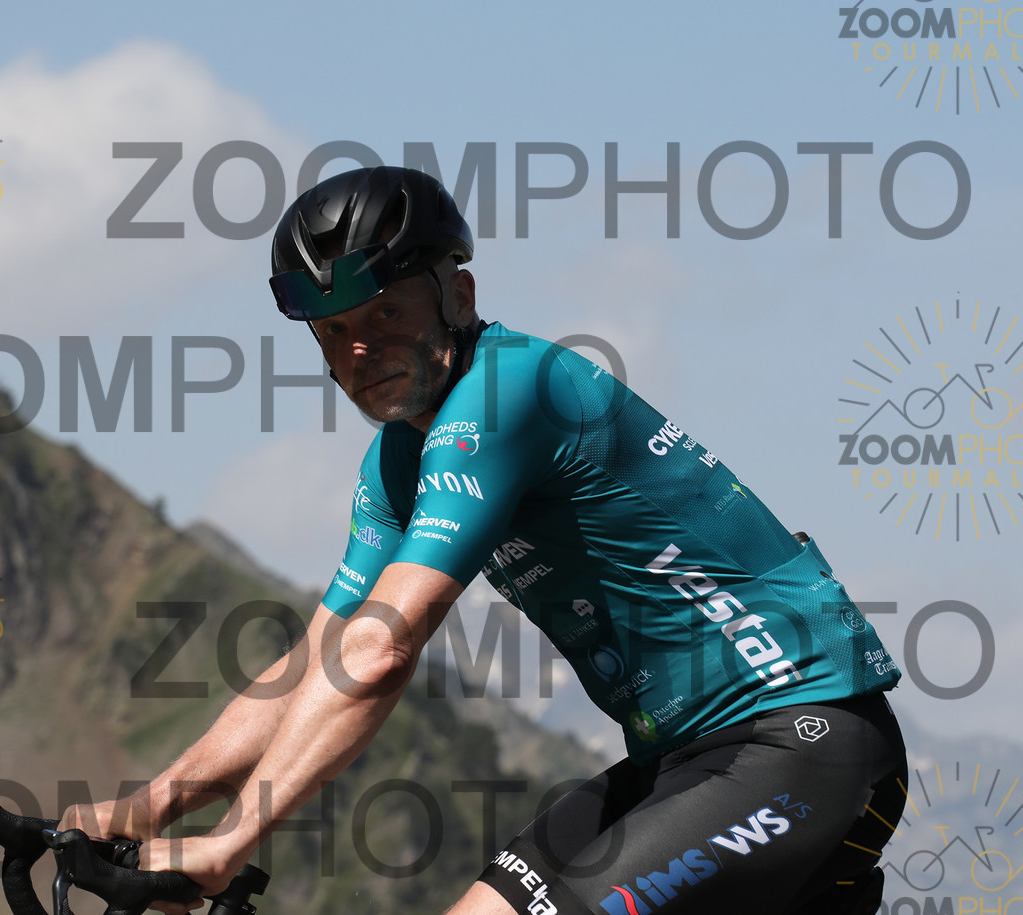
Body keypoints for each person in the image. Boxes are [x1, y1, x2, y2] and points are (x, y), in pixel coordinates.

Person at [61, 167, 907, 914]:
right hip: (684, 760)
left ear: (458, 297)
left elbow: (381, 653)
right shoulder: (397, 464)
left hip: (801, 742)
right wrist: (152, 805)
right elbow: (320, 659)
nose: (361, 349)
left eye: (386, 312)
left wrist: (232, 839)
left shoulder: (508, 393)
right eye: (334, 331)